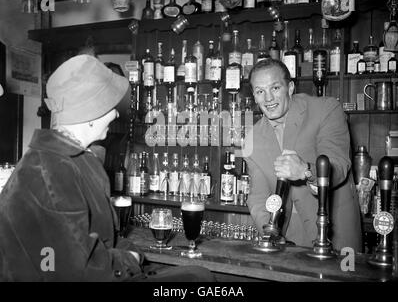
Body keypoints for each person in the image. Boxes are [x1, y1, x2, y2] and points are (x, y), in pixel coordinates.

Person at [0, 54, 215, 282]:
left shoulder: (82, 159)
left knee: (197, 275)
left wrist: (130, 252)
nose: (116, 113)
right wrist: (130, 258)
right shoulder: (50, 171)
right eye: (110, 105)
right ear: (90, 113)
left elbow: (106, 238)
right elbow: (78, 272)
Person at [242, 59, 362, 252]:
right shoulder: (251, 139)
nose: (268, 98)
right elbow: (258, 197)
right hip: (288, 237)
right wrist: (271, 232)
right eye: (260, 92)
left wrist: (306, 171)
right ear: (254, 98)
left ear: (290, 88)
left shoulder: (326, 109)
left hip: (335, 232)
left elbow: (338, 166)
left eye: (275, 88)